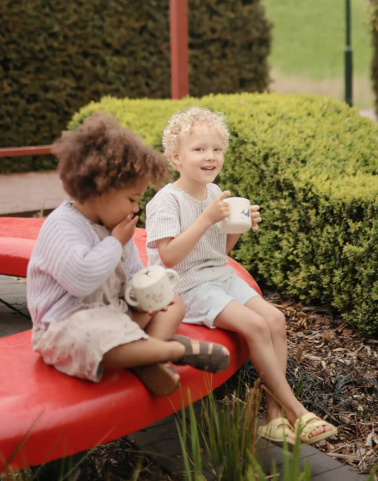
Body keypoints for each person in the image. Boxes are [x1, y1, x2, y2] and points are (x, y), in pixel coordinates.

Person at [145, 107, 337, 444]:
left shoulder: (213, 192)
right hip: (186, 286)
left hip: (217, 275)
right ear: (175, 157)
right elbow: (170, 256)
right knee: (256, 326)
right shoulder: (166, 201)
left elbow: (219, 252)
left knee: (275, 319)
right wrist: (206, 219)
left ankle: (273, 418)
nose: (211, 156)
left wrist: (237, 227)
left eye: (217, 149)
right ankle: (298, 412)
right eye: (199, 149)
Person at [27, 112, 230, 397]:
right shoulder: (63, 227)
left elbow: (134, 272)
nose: (135, 208)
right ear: (100, 191)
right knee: (88, 335)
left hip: (114, 314)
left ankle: (144, 356)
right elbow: (81, 280)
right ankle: (172, 350)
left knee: (172, 301)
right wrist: (114, 242)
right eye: (132, 199)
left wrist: (144, 296)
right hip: (67, 326)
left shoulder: (115, 225)